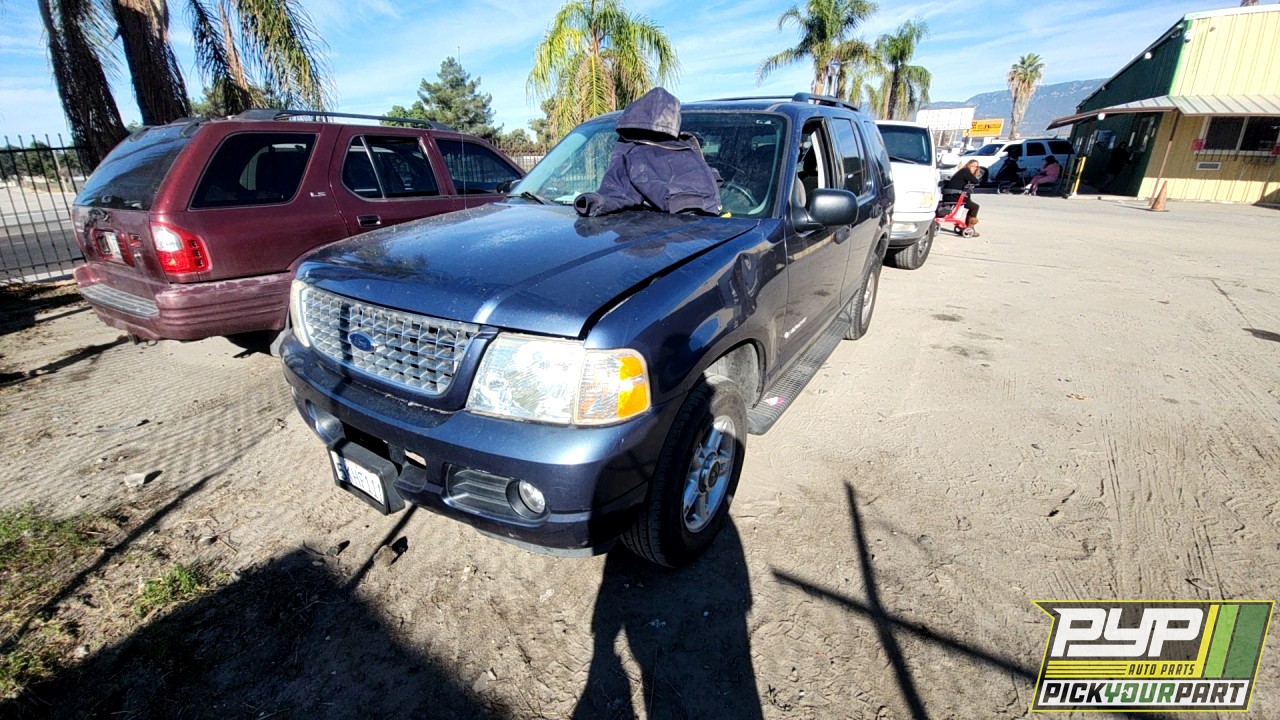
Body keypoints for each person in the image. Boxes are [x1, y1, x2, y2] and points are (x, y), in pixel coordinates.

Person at [941, 159, 983, 234]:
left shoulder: (963, 171)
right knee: (975, 207)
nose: (975, 168)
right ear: (968, 165)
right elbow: (976, 181)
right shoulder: (965, 171)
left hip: (952, 195)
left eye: (976, 167)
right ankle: (970, 227)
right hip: (953, 196)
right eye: (973, 166)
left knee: (971, 204)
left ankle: (968, 226)